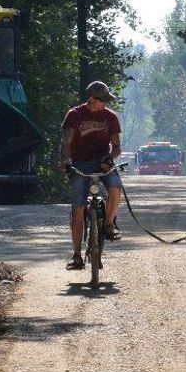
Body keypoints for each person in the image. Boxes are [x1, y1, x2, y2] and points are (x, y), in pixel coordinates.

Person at [61, 81, 123, 270]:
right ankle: (77, 256)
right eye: (102, 100)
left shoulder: (110, 117)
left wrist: (110, 157)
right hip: (79, 164)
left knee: (115, 186)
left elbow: (117, 146)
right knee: (77, 208)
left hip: (103, 163)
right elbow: (66, 142)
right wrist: (66, 160)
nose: (105, 103)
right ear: (91, 99)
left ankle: (110, 225)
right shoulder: (75, 115)